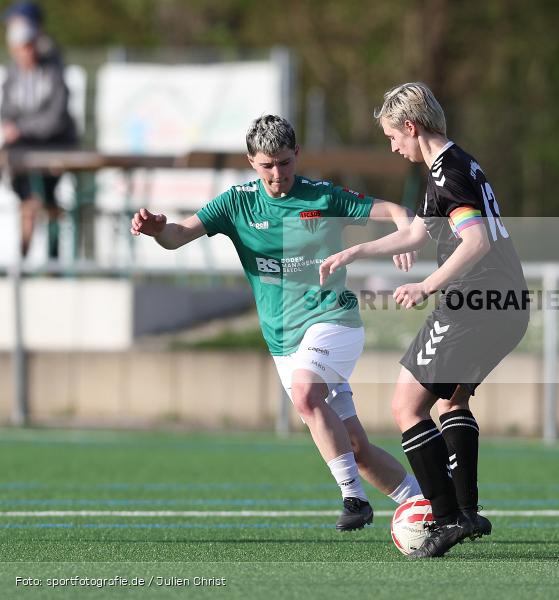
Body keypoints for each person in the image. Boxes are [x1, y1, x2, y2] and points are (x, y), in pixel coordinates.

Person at [131, 114, 422, 531]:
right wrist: (157, 230)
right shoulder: (236, 203)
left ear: (297, 156)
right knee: (354, 446)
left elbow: (397, 209)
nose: (277, 174)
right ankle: (427, 505)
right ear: (252, 162)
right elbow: (178, 235)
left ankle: (354, 501)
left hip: (333, 320)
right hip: (284, 341)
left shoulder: (321, 196)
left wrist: (403, 232)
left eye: (284, 163)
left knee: (306, 394)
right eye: (267, 165)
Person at [319, 82, 530, 558]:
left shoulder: (447, 172)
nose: (392, 146)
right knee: (451, 403)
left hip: (473, 304)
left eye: (393, 135)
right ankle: (467, 511)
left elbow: (474, 242)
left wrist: (426, 285)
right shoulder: (456, 164)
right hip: (507, 305)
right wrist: (355, 250)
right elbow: (416, 232)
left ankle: (445, 516)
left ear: (411, 127)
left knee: (406, 408)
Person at [2, 1, 77, 259]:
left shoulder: (53, 69)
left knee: (44, 201)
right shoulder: (14, 73)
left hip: (52, 149)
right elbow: (8, 112)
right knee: (30, 202)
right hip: (24, 154)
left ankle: (49, 263)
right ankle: (24, 264)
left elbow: (56, 119)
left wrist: (21, 129)